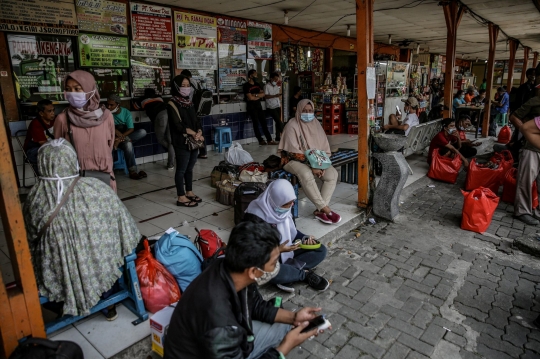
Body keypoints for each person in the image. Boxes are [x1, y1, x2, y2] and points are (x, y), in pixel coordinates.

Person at [163, 221, 329, 359]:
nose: (276, 268)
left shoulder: (229, 267)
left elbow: (255, 305)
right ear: (253, 271)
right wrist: (285, 348)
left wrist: (293, 317)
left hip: (222, 342)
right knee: (284, 338)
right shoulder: (219, 321)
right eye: (273, 264)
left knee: (286, 327)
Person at [23, 139, 140, 319]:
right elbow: (125, 226)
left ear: (43, 163)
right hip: (102, 268)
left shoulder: (35, 199)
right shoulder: (97, 188)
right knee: (103, 254)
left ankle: (65, 304)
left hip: (59, 275)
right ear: (72, 159)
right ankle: (107, 301)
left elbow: (29, 241)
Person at [243, 180, 329, 292]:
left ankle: (289, 274)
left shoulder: (284, 210)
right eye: (286, 204)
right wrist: (278, 250)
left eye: (292, 202)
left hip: (287, 252)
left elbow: (292, 233)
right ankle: (303, 274)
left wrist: (304, 238)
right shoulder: (254, 218)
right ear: (274, 201)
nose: (290, 206)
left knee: (320, 250)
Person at [279, 99, 340, 225]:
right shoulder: (292, 125)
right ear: (299, 111)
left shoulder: (316, 124)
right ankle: (325, 209)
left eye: (310, 111)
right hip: (292, 161)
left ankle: (319, 211)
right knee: (306, 174)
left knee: (332, 174)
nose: (308, 113)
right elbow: (292, 153)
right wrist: (312, 165)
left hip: (315, 160)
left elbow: (323, 147)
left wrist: (321, 164)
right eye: (304, 111)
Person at [53, 70, 117, 191]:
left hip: (103, 177)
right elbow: (59, 152)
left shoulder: (106, 116)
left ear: (90, 89)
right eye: (68, 89)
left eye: (77, 89)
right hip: (75, 181)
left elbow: (109, 145)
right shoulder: (62, 119)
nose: (72, 93)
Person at [168, 75, 203, 207]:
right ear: (177, 87)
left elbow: (196, 120)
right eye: (183, 85)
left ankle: (189, 191)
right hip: (181, 140)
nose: (186, 88)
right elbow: (177, 125)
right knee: (181, 169)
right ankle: (181, 197)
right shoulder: (172, 103)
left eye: (188, 85)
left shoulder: (189, 102)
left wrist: (199, 131)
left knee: (190, 168)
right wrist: (194, 133)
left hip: (193, 140)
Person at [508, 85, 540, 225]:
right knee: (526, 180)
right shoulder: (535, 101)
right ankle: (522, 211)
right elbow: (514, 116)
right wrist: (525, 133)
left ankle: (537, 211)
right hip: (531, 147)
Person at [106, 94, 148, 180]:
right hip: (113, 139)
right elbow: (106, 128)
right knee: (128, 144)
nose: (109, 107)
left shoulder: (126, 112)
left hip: (122, 139)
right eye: (108, 104)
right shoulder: (106, 114)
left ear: (118, 105)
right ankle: (132, 171)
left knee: (143, 132)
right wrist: (115, 131)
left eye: (111, 105)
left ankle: (120, 140)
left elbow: (131, 129)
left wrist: (120, 138)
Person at [133, 88, 175, 170]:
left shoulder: (142, 99)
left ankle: (173, 152)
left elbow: (135, 107)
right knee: (171, 141)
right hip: (170, 113)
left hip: (160, 116)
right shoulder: (159, 97)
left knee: (161, 139)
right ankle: (171, 163)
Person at [244, 69, 277, 146]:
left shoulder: (257, 84)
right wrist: (257, 96)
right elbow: (250, 98)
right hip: (251, 107)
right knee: (256, 123)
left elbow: (263, 94)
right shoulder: (246, 86)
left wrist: (255, 95)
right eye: (255, 75)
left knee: (263, 123)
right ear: (250, 76)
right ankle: (260, 140)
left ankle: (269, 140)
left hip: (258, 106)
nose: (256, 76)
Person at [181, 69, 207, 159]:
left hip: (192, 109)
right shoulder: (197, 82)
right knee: (199, 129)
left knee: (194, 130)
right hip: (199, 109)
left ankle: (194, 148)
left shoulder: (188, 85)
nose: (185, 87)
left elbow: (189, 98)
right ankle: (203, 151)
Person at [24, 99, 55, 173]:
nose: (53, 113)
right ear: (41, 113)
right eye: (49, 111)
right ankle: (43, 177)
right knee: (52, 155)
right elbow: (44, 144)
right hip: (33, 151)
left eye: (53, 110)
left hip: (49, 148)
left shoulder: (54, 120)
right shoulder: (35, 124)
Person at [265, 72, 284, 142]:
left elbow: (277, 95)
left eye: (277, 80)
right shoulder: (267, 86)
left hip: (277, 105)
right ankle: (286, 134)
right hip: (271, 107)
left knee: (277, 122)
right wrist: (274, 96)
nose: (276, 81)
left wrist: (278, 96)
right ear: (271, 79)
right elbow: (266, 96)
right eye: (275, 79)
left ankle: (278, 137)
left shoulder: (276, 86)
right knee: (279, 121)